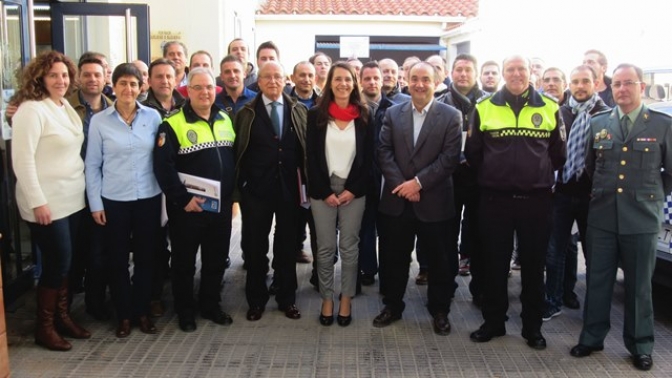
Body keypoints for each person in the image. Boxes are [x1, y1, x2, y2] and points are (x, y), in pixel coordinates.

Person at [571, 63, 672, 372]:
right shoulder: (599, 122)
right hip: (602, 216)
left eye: (629, 83)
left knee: (639, 285)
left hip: (641, 218)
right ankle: (592, 336)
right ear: (610, 88)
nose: (623, 89)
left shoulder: (661, 124)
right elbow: (590, 165)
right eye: (617, 84)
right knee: (598, 280)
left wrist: (650, 196)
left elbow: (669, 174)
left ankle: (640, 344)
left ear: (641, 87)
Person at [465, 55, 566, 350]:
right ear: (503, 73)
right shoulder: (484, 107)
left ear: (530, 72)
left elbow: (558, 154)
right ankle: (494, 322)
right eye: (510, 69)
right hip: (495, 200)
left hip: (535, 202)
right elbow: (473, 153)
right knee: (494, 265)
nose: (516, 74)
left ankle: (532, 328)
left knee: (534, 267)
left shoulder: (549, 107)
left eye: (521, 69)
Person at [373, 61, 462, 336]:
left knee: (439, 260)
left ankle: (439, 310)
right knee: (393, 258)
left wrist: (419, 183)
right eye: (414, 79)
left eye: (426, 79)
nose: (420, 84)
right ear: (406, 81)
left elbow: (449, 158)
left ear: (436, 82)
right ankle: (392, 305)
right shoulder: (392, 113)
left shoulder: (451, 115)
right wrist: (402, 185)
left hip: (435, 201)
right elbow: (383, 151)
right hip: (397, 200)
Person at [11, 50, 91, 351]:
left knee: (66, 263)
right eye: (53, 74)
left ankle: (61, 317)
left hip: (72, 197)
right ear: (40, 77)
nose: (61, 80)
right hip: (46, 201)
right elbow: (23, 161)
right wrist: (37, 201)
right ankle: (43, 327)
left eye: (64, 74)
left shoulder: (64, 107)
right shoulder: (31, 110)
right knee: (57, 262)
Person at [153, 67, 236, 332]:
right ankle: (185, 311)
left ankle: (210, 305)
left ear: (216, 90)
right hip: (188, 209)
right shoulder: (172, 124)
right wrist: (183, 199)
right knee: (184, 263)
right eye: (198, 87)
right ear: (188, 91)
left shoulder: (225, 118)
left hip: (219, 208)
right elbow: (162, 168)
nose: (204, 92)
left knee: (215, 260)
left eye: (209, 87)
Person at [85, 63, 163, 338]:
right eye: (122, 83)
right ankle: (124, 315)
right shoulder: (99, 121)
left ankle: (141, 312)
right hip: (114, 200)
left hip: (148, 198)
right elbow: (92, 165)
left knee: (145, 258)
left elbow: (161, 160)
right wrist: (96, 204)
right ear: (113, 86)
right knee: (117, 259)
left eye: (133, 83)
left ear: (142, 86)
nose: (128, 89)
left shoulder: (152, 117)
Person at [234, 61, 307, 322]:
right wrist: (240, 187)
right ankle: (256, 300)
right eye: (267, 77)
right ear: (259, 82)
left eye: (277, 76)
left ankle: (287, 299)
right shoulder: (245, 113)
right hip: (256, 190)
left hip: (289, 189)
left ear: (285, 79)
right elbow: (237, 151)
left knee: (287, 247)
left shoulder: (298, 110)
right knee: (255, 247)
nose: (273, 81)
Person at [306, 62, 372, 326]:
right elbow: (310, 157)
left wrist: (353, 189)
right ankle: (327, 298)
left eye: (348, 79)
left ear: (354, 83)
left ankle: (346, 298)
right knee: (324, 249)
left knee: (349, 247)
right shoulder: (316, 115)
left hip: (353, 190)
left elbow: (368, 159)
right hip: (323, 190)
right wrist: (324, 192)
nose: (343, 84)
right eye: (337, 79)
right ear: (329, 83)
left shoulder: (365, 115)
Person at [543, 65, 610, 322]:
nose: (580, 86)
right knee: (554, 251)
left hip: (592, 196)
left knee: (595, 254)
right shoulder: (559, 113)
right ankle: (552, 300)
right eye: (575, 81)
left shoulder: (606, 115)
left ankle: (595, 308)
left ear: (596, 83)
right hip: (560, 193)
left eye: (585, 81)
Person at [437, 53, 488, 304]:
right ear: (451, 72)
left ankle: (480, 289)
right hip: (448, 178)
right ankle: (445, 288)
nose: (463, 74)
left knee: (479, 235)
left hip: (480, 179)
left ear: (475, 73)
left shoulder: (491, 103)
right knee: (446, 235)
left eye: (468, 70)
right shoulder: (440, 103)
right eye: (459, 70)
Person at [66, 56, 113, 321]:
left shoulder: (115, 108)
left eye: (97, 74)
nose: (92, 79)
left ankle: (96, 304)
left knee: (98, 252)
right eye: (87, 74)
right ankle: (64, 312)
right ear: (79, 78)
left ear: (105, 77)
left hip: (103, 192)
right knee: (72, 254)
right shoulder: (63, 107)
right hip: (71, 190)